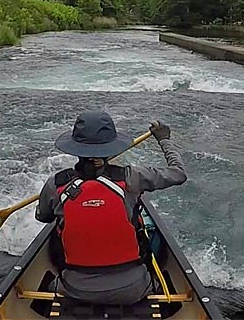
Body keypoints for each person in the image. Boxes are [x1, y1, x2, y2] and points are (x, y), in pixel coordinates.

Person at [35, 111, 187, 305]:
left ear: (76, 148)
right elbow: (178, 174)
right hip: (133, 290)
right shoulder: (133, 177)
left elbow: (43, 217)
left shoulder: (55, 184)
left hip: (75, 290)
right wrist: (164, 140)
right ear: (110, 148)